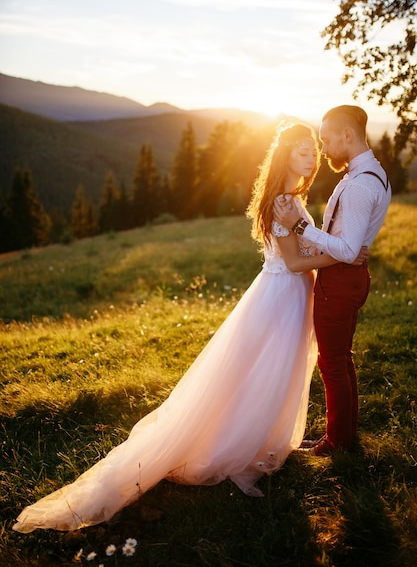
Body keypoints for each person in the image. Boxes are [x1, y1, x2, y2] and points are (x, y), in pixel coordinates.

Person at [13, 123, 365, 534]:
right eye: (303, 150)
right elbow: (294, 263)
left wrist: (332, 246)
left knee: (275, 374)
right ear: (285, 154)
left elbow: (305, 250)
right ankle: (237, 446)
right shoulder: (284, 202)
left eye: (313, 150)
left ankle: (264, 440)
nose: (312, 156)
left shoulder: (292, 200)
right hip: (282, 296)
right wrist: (343, 259)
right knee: (267, 373)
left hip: (287, 295)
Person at [274, 105, 391, 457]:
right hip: (349, 278)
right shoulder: (374, 173)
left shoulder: (358, 185)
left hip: (339, 283)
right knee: (341, 358)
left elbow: (346, 248)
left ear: (347, 136)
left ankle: (337, 442)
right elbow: (348, 245)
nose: (323, 150)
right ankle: (345, 434)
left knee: (332, 363)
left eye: (325, 140)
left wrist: (301, 228)